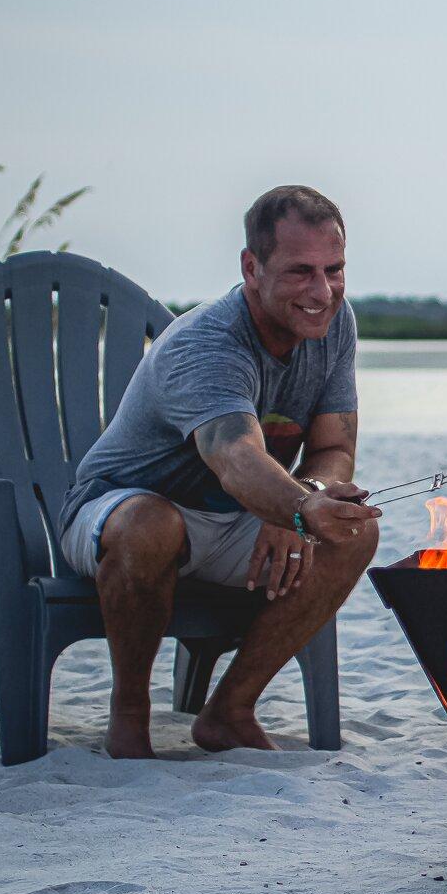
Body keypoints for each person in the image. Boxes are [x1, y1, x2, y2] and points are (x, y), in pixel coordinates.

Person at [58, 185, 382, 759]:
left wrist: (305, 497)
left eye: (334, 270)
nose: (322, 290)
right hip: (123, 508)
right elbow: (235, 458)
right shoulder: (209, 342)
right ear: (251, 267)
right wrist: (294, 508)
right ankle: (130, 713)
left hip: (235, 518)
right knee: (150, 524)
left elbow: (334, 447)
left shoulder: (335, 323)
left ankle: (229, 711)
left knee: (356, 530)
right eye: (301, 271)